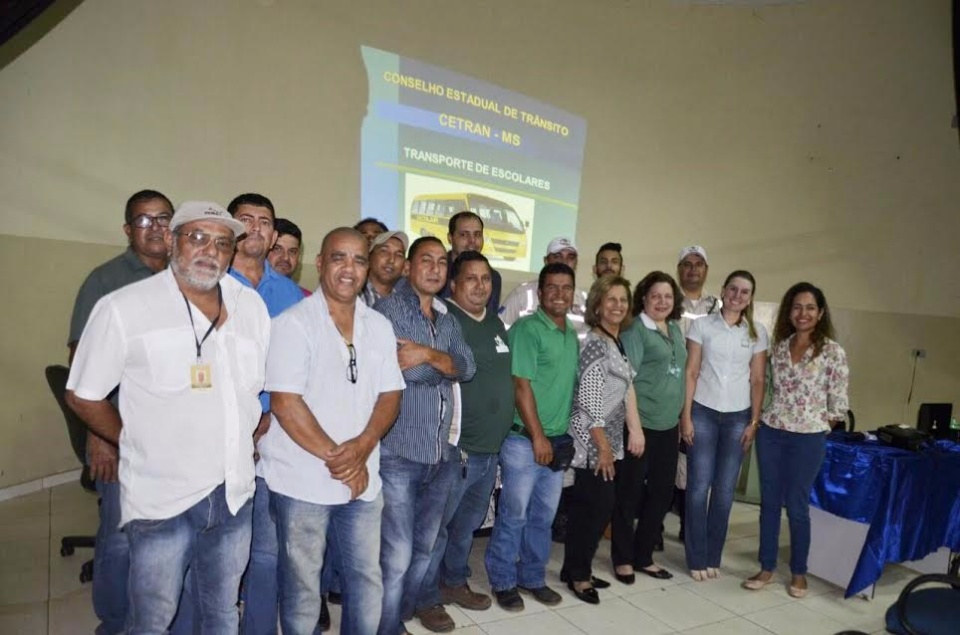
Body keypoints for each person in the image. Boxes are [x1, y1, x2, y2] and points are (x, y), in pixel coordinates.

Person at [65, 201, 269, 632]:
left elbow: (247, 393)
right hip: (163, 498)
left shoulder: (250, 308)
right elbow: (84, 395)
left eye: (222, 242)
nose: (209, 250)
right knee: (153, 618)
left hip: (233, 493)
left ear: (233, 252)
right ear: (173, 241)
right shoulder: (125, 307)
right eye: (197, 237)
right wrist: (132, 439)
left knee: (221, 611)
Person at [258, 227, 405, 634]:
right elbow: (286, 404)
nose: (349, 269)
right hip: (302, 480)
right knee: (303, 587)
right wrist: (343, 460)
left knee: (366, 580)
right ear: (320, 263)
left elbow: (390, 396)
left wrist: (361, 448)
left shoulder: (379, 326)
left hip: (362, 479)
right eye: (339, 258)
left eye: (359, 260)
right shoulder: (293, 324)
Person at [66, 189, 173, 635]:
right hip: (119, 430)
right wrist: (100, 434)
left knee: (165, 535)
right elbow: (81, 363)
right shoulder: (104, 281)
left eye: (163, 218)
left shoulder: (185, 277)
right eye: (144, 221)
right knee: (120, 534)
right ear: (129, 230)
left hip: (171, 434)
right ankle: (113, 620)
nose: (155, 228)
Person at [373, 236, 476, 635]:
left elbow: (466, 368)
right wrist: (438, 365)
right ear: (407, 267)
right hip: (399, 452)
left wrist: (429, 355)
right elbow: (405, 371)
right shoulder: (387, 312)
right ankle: (384, 626)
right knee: (396, 553)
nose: (434, 268)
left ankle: (397, 615)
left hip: (442, 454)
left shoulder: (447, 318)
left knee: (424, 547)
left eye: (441, 262)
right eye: (425, 260)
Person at [414, 251, 515, 632]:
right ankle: (425, 598)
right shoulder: (445, 320)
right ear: (453, 284)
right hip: (457, 450)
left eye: (485, 279)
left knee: (467, 525)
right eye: (470, 278)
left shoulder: (494, 323)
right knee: (437, 528)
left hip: (490, 450)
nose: (480, 286)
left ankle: (453, 581)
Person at [227, 193, 305, 635]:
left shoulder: (288, 293)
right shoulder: (212, 285)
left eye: (264, 222)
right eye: (245, 220)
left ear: (274, 234)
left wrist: (270, 416)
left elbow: (297, 366)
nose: (256, 229)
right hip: (222, 440)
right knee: (220, 549)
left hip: (274, 435)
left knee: (267, 550)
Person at [742, 282, 849, 599]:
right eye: (797, 307)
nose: (803, 313)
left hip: (809, 437)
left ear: (820, 312)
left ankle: (799, 572)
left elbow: (838, 404)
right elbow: (766, 387)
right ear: (789, 312)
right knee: (770, 503)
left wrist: (815, 425)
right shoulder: (778, 347)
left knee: (798, 506)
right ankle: (766, 567)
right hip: (772, 432)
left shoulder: (832, 351)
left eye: (810, 307)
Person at [485, 263, 579, 612]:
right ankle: (504, 580)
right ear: (540, 293)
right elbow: (520, 385)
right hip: (525, 442)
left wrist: (555, 439)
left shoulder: (569, 332)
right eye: (551, 287)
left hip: (555, 441)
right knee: (515, 514)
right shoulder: (527, 329)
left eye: (565, 287)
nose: (558, 293)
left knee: (543, 516)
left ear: (572, 293)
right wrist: (539, 438)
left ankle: (532, 576)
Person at [561, 276, 644, 605]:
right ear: (597, 305)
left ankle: (574, 568)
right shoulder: (596, 342)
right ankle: (579, 576)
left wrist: (633, 432)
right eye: (611, 299)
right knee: (596, 507)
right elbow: (588, 399)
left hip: (605, 439)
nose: (618, 305)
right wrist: (603, 447)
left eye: (623, 300)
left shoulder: (616, 341)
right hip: (591, 442)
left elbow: (625, 391)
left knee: (590, 508)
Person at [680, 270, 768, 581]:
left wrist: (754, 421)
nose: (738, 296)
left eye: (745, 292)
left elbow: (758, 380)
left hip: (737, 417)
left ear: (750, 298)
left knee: (725, 491)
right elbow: (691, 372)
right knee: (698, 487)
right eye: (733, 289)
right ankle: (695, 557)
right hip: (703, 412)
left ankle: (712, 555)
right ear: (723, 291)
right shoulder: (701, 326)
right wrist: (686, 416)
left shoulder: (757, 333)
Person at [611, 271, 687, 583]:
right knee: (628, 495)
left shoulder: (675, 330)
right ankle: (623, 558)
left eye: (668, 296)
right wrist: (636, 429)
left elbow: (679, 375)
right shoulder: (635, 331)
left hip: (668, 428)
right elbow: (626, 380)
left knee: (660, 495)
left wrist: (681, 421)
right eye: (655, 295)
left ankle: (644, 556)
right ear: (644, 297)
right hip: (639, 426)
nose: (662, 301)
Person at [499, 237, 589, 337]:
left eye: (570, 257)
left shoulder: (585, 300)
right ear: (546, 261)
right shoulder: (522, 295)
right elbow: (499, 333)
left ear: (576, 263)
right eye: (557, 256)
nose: (564, 262)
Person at [439, 211, 502, 314]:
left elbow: (488, 319)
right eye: (464, 235)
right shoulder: (437, 269)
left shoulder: (493, 277)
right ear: (450, 238)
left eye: (477, 235)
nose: (472, 241)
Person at [677, 245, 720, 335]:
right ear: (679, 269)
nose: (693, 269)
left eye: (699, 264)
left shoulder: (717, 305)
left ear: (706, 270)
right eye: (687, 265)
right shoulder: (667, 303)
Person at [362, 230, 408, 307]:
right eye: (384, 251)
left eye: (399, 254)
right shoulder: (354, 295)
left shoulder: (404, 304)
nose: (392, 260)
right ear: (369, 256)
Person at [267, 217, 312, 296]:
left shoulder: (306, 300)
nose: (285, 257)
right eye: (277, 249)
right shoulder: (247, 294)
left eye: (292, 251)